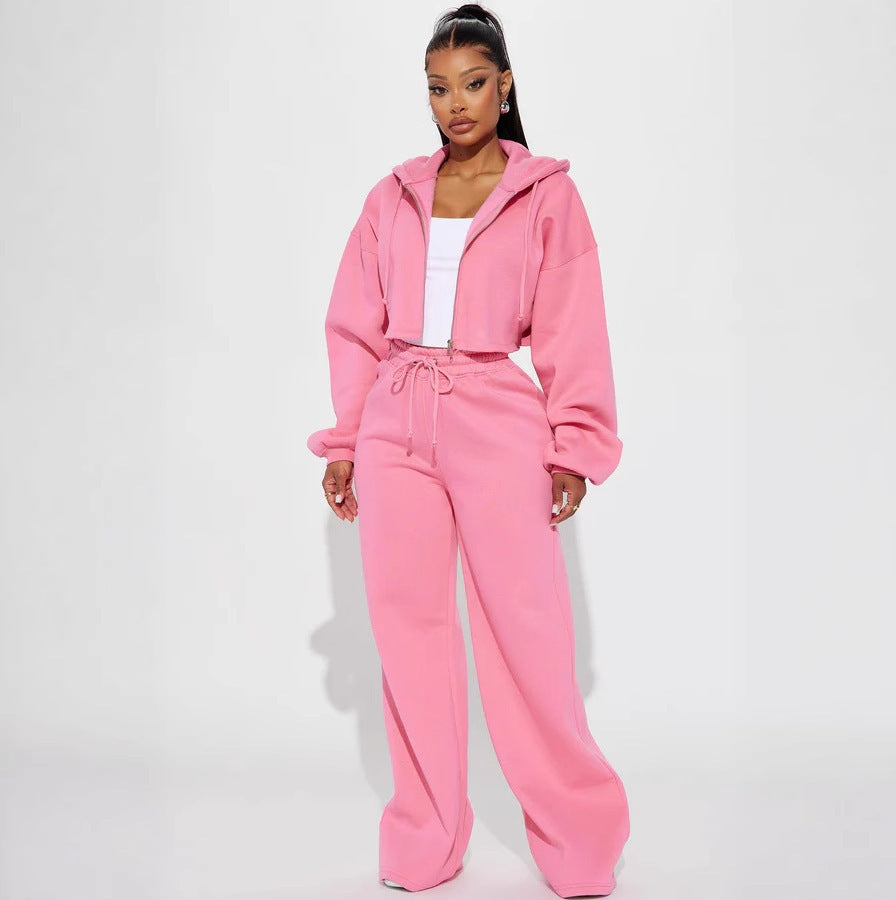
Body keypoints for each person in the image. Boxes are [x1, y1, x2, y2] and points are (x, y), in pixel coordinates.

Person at [307, 5, 629, 897]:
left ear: (505, 85)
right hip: (394, 421)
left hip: (496, 417)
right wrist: (345, 440)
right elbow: (354, 325)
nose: (455, 104)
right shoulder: (393, 196)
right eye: (439, 88)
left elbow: (573, 327)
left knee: (526, 633)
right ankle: (426, 838)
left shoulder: (546, 196)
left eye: (474, 83)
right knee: (408, 635)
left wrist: (574, 447)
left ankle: (579, 841)